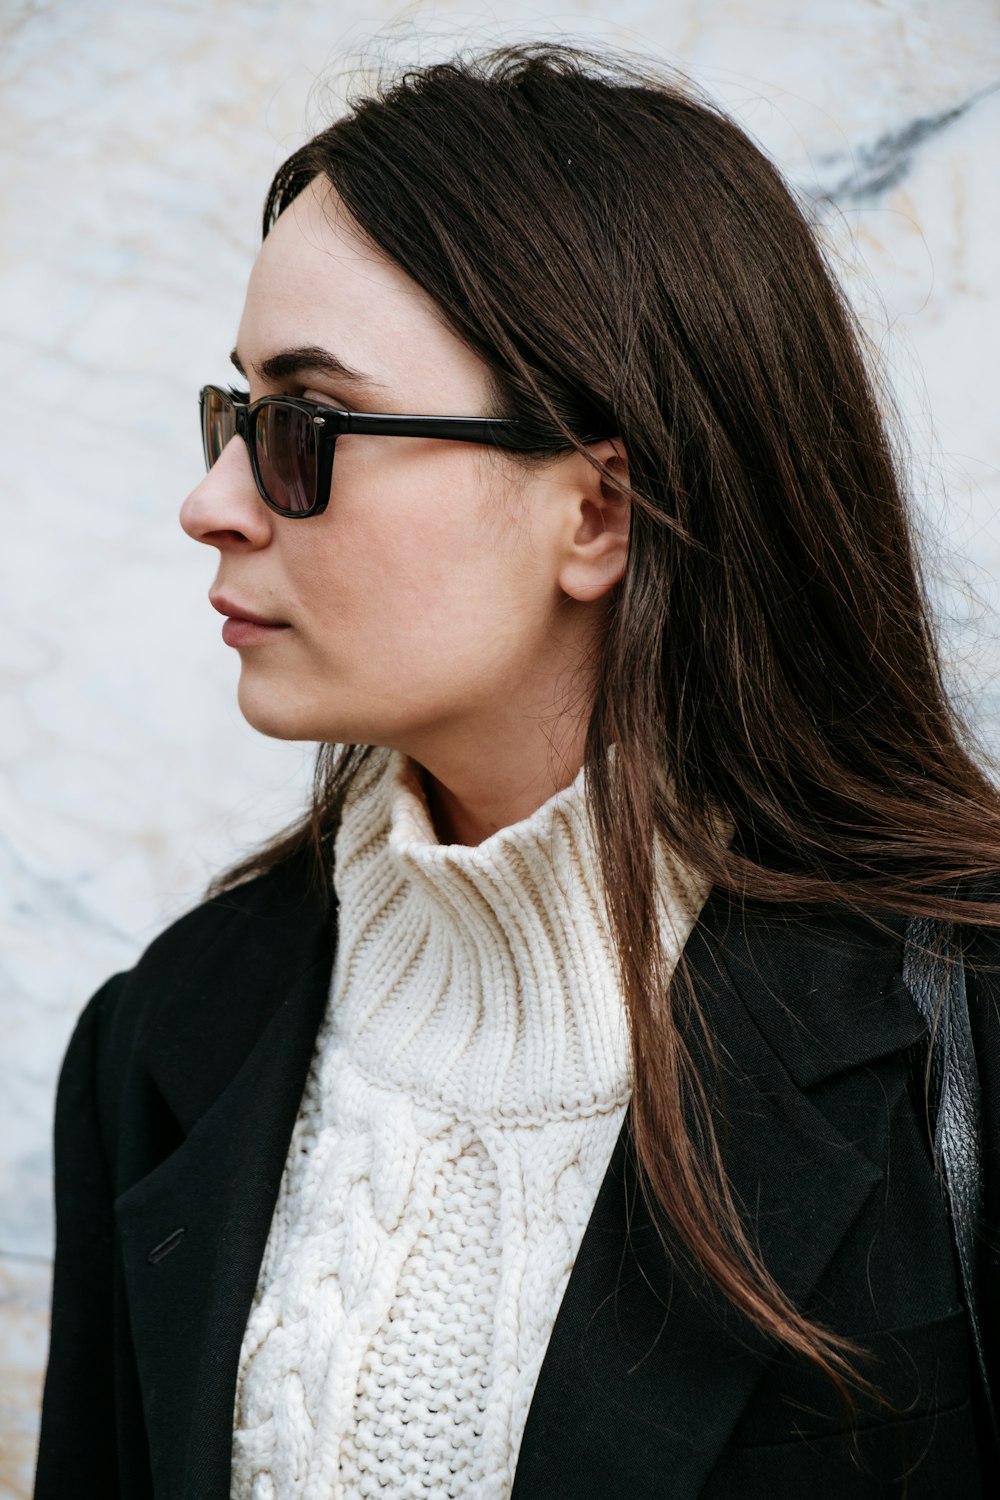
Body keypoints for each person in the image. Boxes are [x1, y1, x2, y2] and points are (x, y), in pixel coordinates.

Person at [34, 42, 1000, 1500]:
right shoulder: (163, 1043)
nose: (213, 501)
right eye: (234, 415)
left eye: (303, 430)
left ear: (599, 510)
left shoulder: (957, 1013)